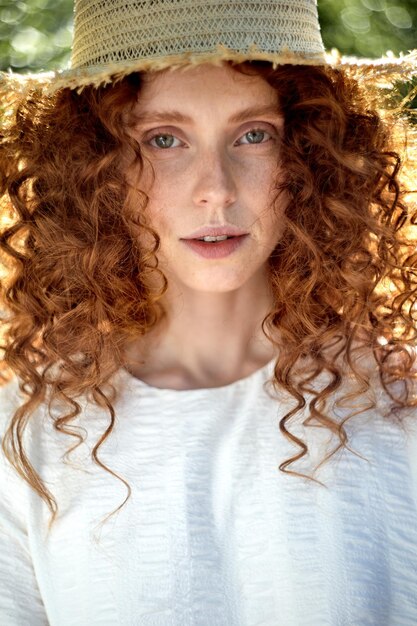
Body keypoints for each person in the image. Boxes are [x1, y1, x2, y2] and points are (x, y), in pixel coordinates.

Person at [0, 0, 416, 624]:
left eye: (253, 134)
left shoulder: (397, 408)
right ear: (94, 167)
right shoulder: (25, 436)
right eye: (164, 140)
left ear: (308, 157)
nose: (215, 188)